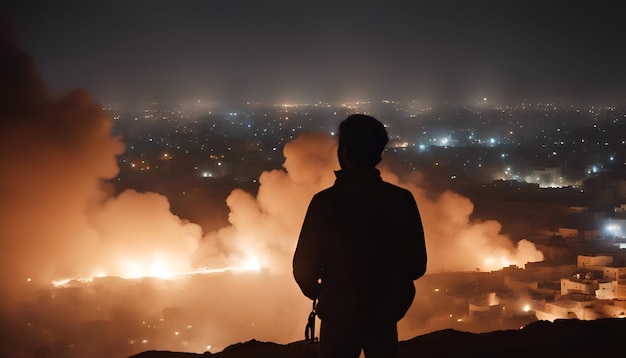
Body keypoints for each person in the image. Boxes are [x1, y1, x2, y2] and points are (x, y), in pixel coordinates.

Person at [293, 114, 427, 358]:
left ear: (344, 152)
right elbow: (417, 266)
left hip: (338, 317)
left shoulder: (325, 203)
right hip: (384, 316)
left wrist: (323, 293)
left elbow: (303, 268)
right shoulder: (401, 200)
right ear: (378, 155)